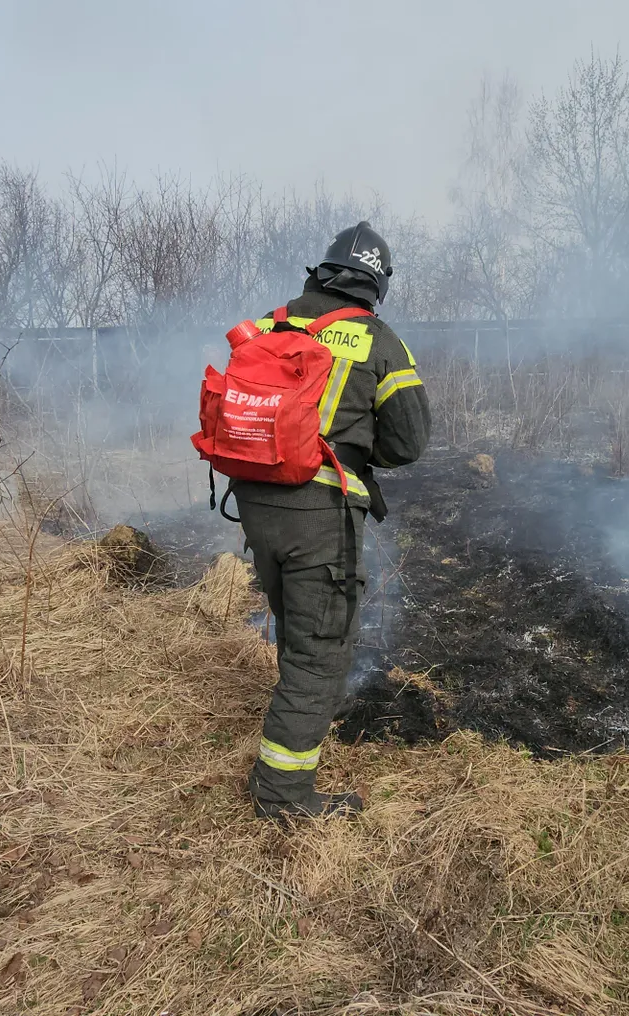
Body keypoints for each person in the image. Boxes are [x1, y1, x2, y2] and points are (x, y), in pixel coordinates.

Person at [231, 221, 430, 820]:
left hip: (255, 503)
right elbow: (409, 442)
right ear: (376, 284)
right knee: (322, 651)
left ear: (323, 269)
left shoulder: (267, 324)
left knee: (299, 627)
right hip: (318, 513)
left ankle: (300, 716)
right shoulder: (375, 339)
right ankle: (283, 795)